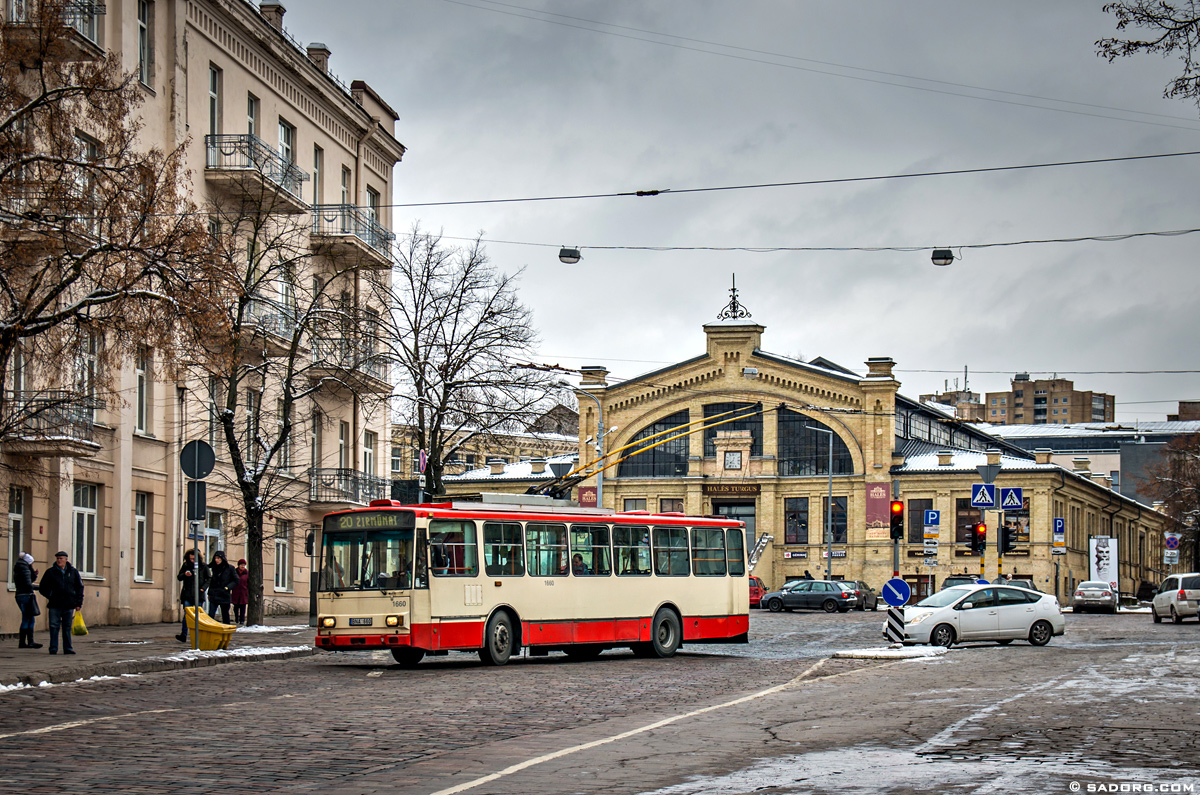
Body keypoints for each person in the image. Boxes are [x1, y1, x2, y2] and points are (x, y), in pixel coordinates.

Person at [37, 551, 83, 655]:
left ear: (66, 560)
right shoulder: (50, 572)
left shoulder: (73, 572)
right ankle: (53, 648)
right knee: (54, 626)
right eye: (57, 558)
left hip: (69, 604)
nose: (59, 560)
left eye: (61, 558)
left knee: (67, 627)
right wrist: (51, 595)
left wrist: (78, 603)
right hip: (55, 604)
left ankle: (68, 648)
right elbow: (42, 587)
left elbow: (79, 587)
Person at [176, 548, 210, 643]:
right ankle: (184, 634)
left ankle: (198, 635)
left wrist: (203, 588)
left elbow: (209, 578)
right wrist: (185, 574)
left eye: (193, 559)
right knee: (187, 615)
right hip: (187, 594)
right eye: (190, 559)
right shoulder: (186, 565)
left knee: (197, 616)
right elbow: (179, 577)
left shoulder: (203, 567)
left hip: (198, 594)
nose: (192, 560)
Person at [13, 552, 42, 649]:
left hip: (20, 595)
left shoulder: (20, 568)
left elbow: (28, 581)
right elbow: (28, 585)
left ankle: (27, 642)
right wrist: (41, 587)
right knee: (27, 619)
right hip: (26, 595)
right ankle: (27, 642)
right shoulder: (25, 570)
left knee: (29, 618)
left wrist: (34, 574)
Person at [206, 551, 237, 624]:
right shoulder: (213, 568)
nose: (217, 560)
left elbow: (236, 580)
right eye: (215, 558)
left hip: (224, 594)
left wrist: (228, 587)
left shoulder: (230, 568)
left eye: (218, 558)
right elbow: (212, 582)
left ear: (222, 559)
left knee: (225, 614)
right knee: (211, 614)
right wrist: (209, 593)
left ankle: (226, 631)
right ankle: (211, 631)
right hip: (214, 594)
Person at [231, 559, 250, 625]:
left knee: (243, 607)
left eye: (244, 565)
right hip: (236, 592)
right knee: (236, 606)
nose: (243, 566)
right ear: (238, 565)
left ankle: (242, 620)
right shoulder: (235, 572)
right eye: (241, 565)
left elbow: (248, 582)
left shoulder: (247, 573)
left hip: (243, 592)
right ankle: (237, 618)